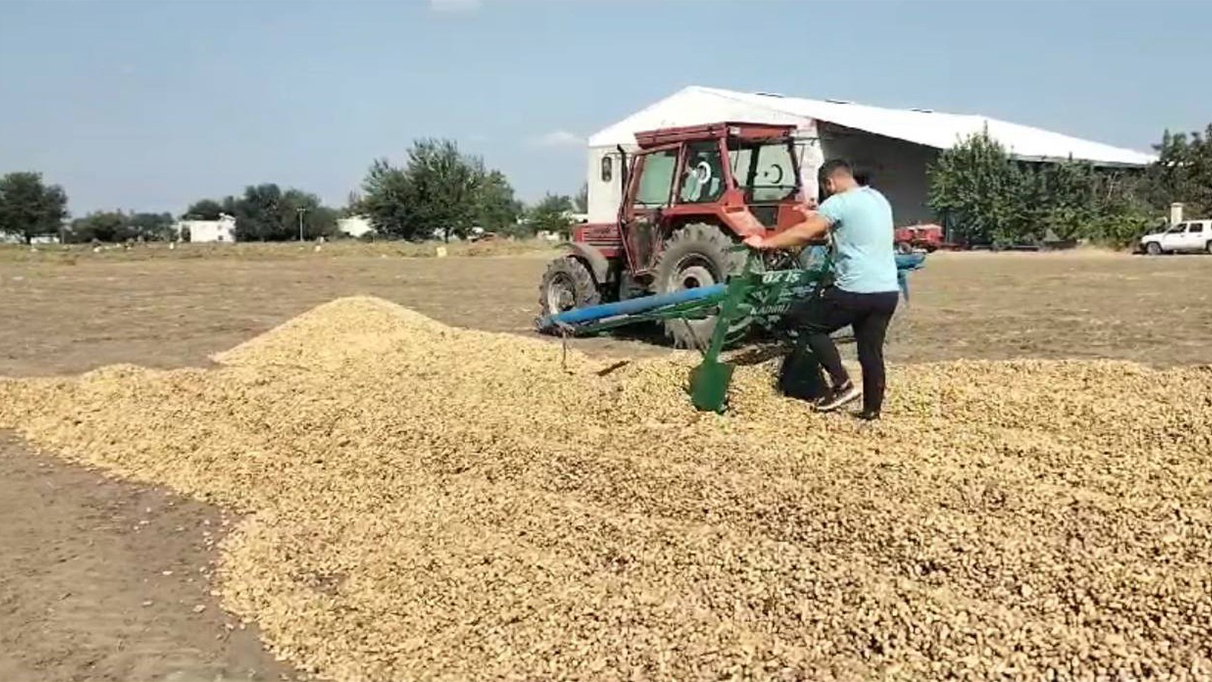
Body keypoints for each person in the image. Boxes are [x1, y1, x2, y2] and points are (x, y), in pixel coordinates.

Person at [743, 159, 899, 420]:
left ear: (829, 183)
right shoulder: (877, 198)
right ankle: (872, 411)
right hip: (886, 291)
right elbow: (839, 232)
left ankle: (842, 385)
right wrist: (816, 216)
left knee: (808, 324)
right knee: (870, 351)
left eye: (825, 189)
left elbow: (807, 232)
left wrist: (766, 244)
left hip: (855, 290)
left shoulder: (838, 202)